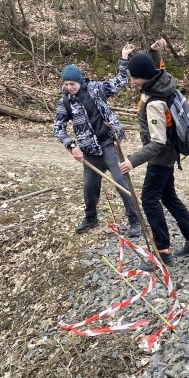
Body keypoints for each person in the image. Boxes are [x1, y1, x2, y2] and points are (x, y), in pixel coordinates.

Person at [117, 46, 189, 265]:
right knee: (168, 196)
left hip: (161, 156)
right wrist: (153, 52)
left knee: (149, 199)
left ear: (145, 77)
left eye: (135, 78)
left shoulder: (155, 102)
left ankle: (162, 251)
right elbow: (155, 67)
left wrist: (132, 161)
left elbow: (158, 142)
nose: (132, 82)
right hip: (169, 152)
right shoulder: (162, 82)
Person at [53, 43, 141, 237]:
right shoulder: (65, 102)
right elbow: (58, 128)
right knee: (89, 187)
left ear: (79, 81)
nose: (69, 87)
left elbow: (119, 81)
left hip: (109, 144)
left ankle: (135, 220)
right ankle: (91, 219)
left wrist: (124, 58)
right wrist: (72, 146)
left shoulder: (96, 89)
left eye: (72, 84)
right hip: (89, 151)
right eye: (66, 84)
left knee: (121, 181)